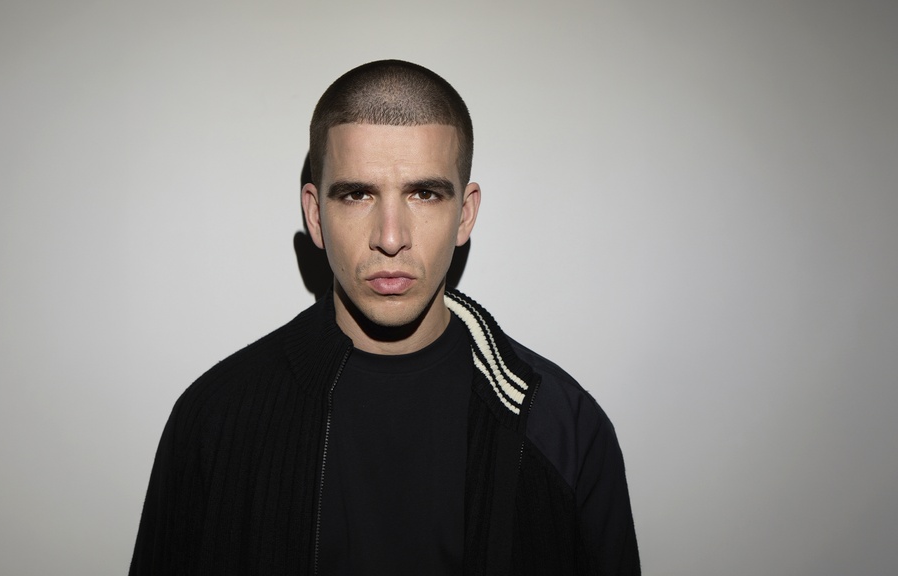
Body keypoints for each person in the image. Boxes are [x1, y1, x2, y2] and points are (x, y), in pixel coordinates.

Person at [130, 59, 640, 575]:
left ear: (465, 214)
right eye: (357, 194)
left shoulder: (562, 427)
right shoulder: (216, 418)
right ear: (315, 215)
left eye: (424, 194)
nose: (391, 238)